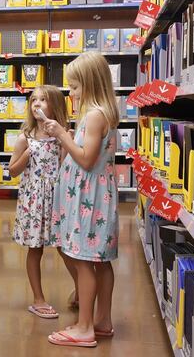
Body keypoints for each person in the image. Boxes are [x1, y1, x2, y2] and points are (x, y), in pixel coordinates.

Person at [45, 52, 120, 348]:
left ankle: (85, 327)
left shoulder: (94, 115)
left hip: (89, 202)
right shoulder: (102, 113)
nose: (71, 93)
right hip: (95, 197)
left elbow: (86, 160)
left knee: (84, 260)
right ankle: (102, 320)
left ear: (89, 84)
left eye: (74, 87)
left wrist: (63, 135)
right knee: (100, 261)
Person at [8, 85, 68, 319]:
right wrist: (26, 155)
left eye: (43, 100)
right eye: (34, 100)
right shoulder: (26, 138)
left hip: (57, 199)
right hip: (33, 202)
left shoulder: (62, 136)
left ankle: (79, 292)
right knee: (35, 249)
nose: (37, 104)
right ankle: (38, 297)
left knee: (66, 248)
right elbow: (12, 171)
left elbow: (65, 168)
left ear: (56, 106)